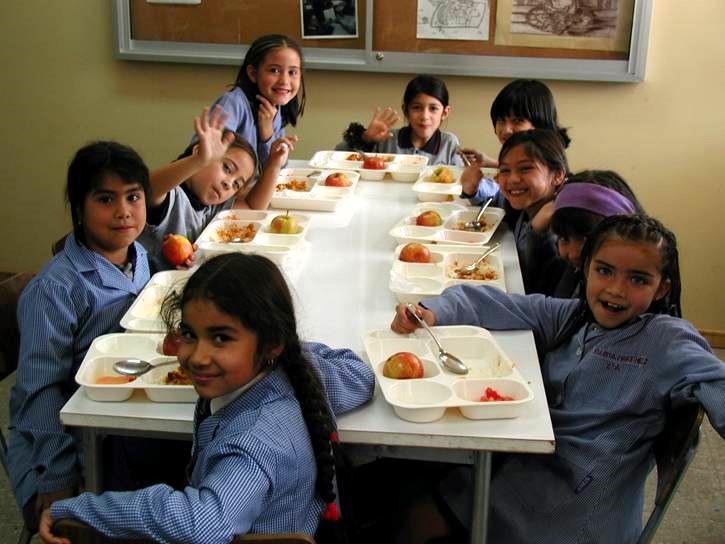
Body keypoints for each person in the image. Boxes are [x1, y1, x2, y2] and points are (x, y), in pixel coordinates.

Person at [390, 214, 725, 544]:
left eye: (638, 279)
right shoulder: (576, 317)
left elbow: (716, 382)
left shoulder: (668, 340)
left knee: (416, 518)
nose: (616, 289)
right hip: (534, 466)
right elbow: (498, 303)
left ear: (662, 287)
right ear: (586, 266)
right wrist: (432, 310)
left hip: (579, 507)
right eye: (604, 271)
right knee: (413, 502)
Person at [39, 253, 376, 543]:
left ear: (272, 343)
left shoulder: (252, 442)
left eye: (220, 338)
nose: (197, 357)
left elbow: (203, 523)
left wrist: (80, 507)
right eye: (189, 334)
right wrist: (287, 351)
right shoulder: (298, 375)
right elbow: (360, 375)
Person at [8, 141, 152, 533]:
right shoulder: (55, 290)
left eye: (133, 197)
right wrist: (56, 479)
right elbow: (38, 392)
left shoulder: (136, 256)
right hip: (59, 442)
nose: (124, 211)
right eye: (106, 199)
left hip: (118, 414)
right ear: (79, 208)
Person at [140, 105, 295, 270]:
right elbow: (148, 189)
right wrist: (199, 160)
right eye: (227, 169)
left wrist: (274, 165)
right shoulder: (171, 194)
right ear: (199, 151)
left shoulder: (212, 205)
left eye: (237, 184)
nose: (228, 183)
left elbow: (253, 207)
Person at [198, 33, 305, 168]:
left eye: (292, 72)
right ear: (253, 73)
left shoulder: (274, 108)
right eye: (274, 70)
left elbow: (275, 167)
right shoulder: (233, 103)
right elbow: (203, 159)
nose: (284, 81)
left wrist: (267, 134)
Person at [460, 79, 570, 203]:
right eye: (501, 120)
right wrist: (472, 188)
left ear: (540, 124)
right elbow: (504, 203)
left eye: (518, 120)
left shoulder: (545, 168)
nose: (506, 130)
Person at [495, 128, 569, 294]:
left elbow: (540, 291)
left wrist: (538, 233)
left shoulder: (561, 228)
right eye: (505, 170)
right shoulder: (525, 210)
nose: (513, 179)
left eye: (525, 169)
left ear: (557, 175)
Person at [550, 169, 644, 297]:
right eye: (564, 239)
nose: (573, 254)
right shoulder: (574, 274)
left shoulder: (628, 300)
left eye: (584, 238)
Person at [336, 74, 464, 166]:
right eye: (416, 107)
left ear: (445, 112)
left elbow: (463, 184)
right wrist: (366, 139)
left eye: (433, 108)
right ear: (405, 110)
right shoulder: (387, 139)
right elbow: (338, 158)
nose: (425, 116)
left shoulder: (449, 144)